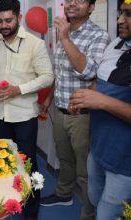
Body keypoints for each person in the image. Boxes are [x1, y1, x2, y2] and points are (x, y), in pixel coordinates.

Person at [0, 0, 54, 219]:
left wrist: (18, 90)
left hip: (24, 115)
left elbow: (47, 76)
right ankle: (8, 205)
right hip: (0, 115)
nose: (3, 25)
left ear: (19, 18)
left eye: (8, 20)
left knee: (27, 164)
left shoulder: (34, 44)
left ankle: (31, 212)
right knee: (3, 162)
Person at [39, 0, 110, 219]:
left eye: (79, 0)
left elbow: (87, 71)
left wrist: (65, 38)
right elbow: (60, 72)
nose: (72, 3)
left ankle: (89, 213)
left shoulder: (99, 36)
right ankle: (63, 194)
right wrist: (49, 97)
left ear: (91, 7)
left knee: (85, 171)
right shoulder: (65, 32)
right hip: (60, 110)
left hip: (83, 116)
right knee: (64, 159)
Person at [69, 1, 131, 218]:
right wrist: (84, 100)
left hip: (124, 162)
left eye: (129, 15)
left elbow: (103, 98)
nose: (120, 20)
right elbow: (99, 80)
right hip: (99, 149)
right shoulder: (116, 44)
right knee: (94, 199)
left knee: (108, 213)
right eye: (121, 13)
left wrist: (102, 101)